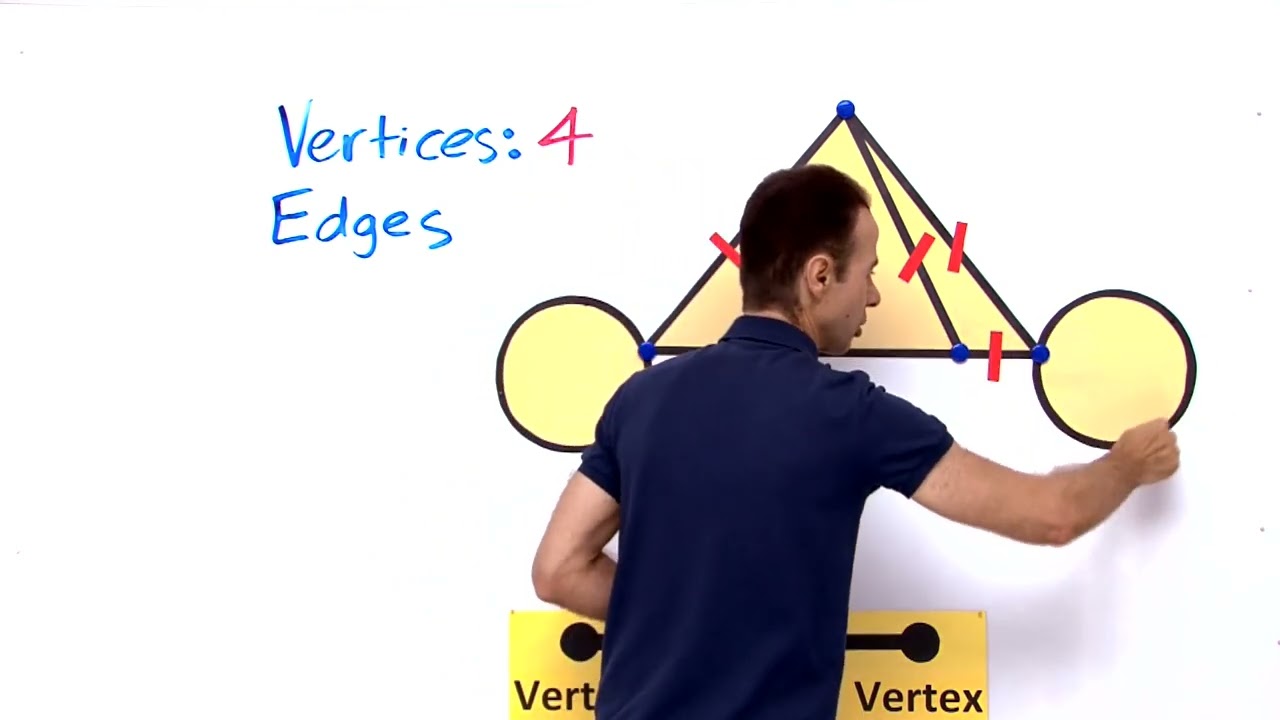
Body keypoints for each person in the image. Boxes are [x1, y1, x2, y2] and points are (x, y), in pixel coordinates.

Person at [530, 164, 1181, 720]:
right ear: (819, 276)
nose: (872, 294)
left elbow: (558, 570)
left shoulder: (642, 399)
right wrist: (1127, 464)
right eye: (867, 271)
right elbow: (1052, 516)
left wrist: (679, 618)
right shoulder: (849, 413)